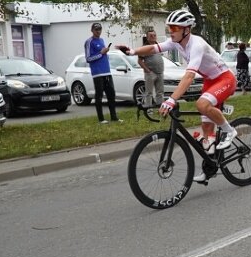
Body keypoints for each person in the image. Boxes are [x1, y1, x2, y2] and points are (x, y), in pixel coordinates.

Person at [117, 10, 238, 183]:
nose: (170, 31)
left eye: (174, 27)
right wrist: (131, 51)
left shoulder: (197, 44)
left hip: (225, 78)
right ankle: (211, 166)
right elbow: (153, 48)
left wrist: (172, 99)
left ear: (186, 30)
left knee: (202, 104)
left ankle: (229, 131)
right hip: (210, 81)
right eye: (169, 27)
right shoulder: (176, 42)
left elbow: (189, 77)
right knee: (207, 132)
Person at [84, 22, 121, 124]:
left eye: (99, 29)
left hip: (106, 71)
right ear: (92, 30)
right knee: (99, 96)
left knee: (111, 94)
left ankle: (114, 117)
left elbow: (103, 54)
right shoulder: (89, 42)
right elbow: (88, 58)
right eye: (96, 30)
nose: (98, 31)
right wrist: (101, 53)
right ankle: (101, 119)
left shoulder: (101, 40)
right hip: (97, 73)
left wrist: (105, 52)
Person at [138, 28, 165, 107]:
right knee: (149, 92)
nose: (153, 37)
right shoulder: (145, 48)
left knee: (160, 92)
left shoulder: (158, 46)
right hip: (150, 73)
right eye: (151, 36)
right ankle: (148, 109)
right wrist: (147, 70)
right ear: (147, 37)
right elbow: (140, 61)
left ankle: (161, 108)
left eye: (154, 35)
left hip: (160, 72)